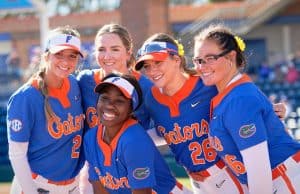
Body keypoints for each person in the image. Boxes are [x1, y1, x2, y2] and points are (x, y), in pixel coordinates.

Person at [135, 33, 248, 194]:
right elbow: (166, 133)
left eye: (158, 62)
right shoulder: (152, 100)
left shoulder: (206, 82)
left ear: (176, 60)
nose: (152, 70)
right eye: (146, 66)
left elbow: (243, 101)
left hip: (229, 173)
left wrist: (271, 108)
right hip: (197, 181)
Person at [193, 24, 300, 194]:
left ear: (230, 57)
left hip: (284, 179)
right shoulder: (227, 94)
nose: (202, 66)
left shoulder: (238, 99)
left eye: (210, 58)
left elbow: (259, 170)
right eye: (198, 60)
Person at [83, 72, 192, 194]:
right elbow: (99, 188)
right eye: (104, 98)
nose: (109, 105)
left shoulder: (134, 140)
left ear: (131, 109)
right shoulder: (90, 138)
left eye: (119, 101)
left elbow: (143, 192)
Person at [7, 26, 85, 194]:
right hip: (36, 186)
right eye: (59, 54)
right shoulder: (26, 97)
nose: (66, 61)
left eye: (72, 56)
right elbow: (17, 154)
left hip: (72, 186)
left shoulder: (75, 86)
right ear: (46, 55)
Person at [76, 23, 154, 193]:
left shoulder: (145, 86)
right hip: (95, 171)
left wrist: (137, 142)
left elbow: (166, 130)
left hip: (132, 169)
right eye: (101, 49)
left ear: (128, 52)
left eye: (115, 49)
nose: (107, 55)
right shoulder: (85, 81)